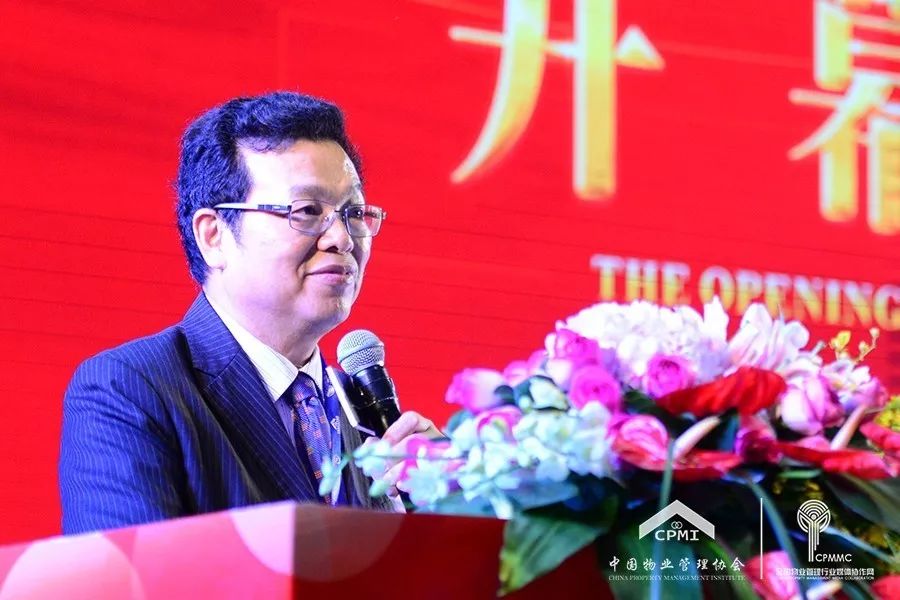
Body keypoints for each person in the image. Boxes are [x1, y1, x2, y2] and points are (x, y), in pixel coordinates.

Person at [59, 91, 437, 534]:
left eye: (353, 212)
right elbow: (128, 572)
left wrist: (461, 503)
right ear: (214, 236)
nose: (341, 237)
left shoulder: (362, 408)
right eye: (306, 211)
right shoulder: (130, 391)